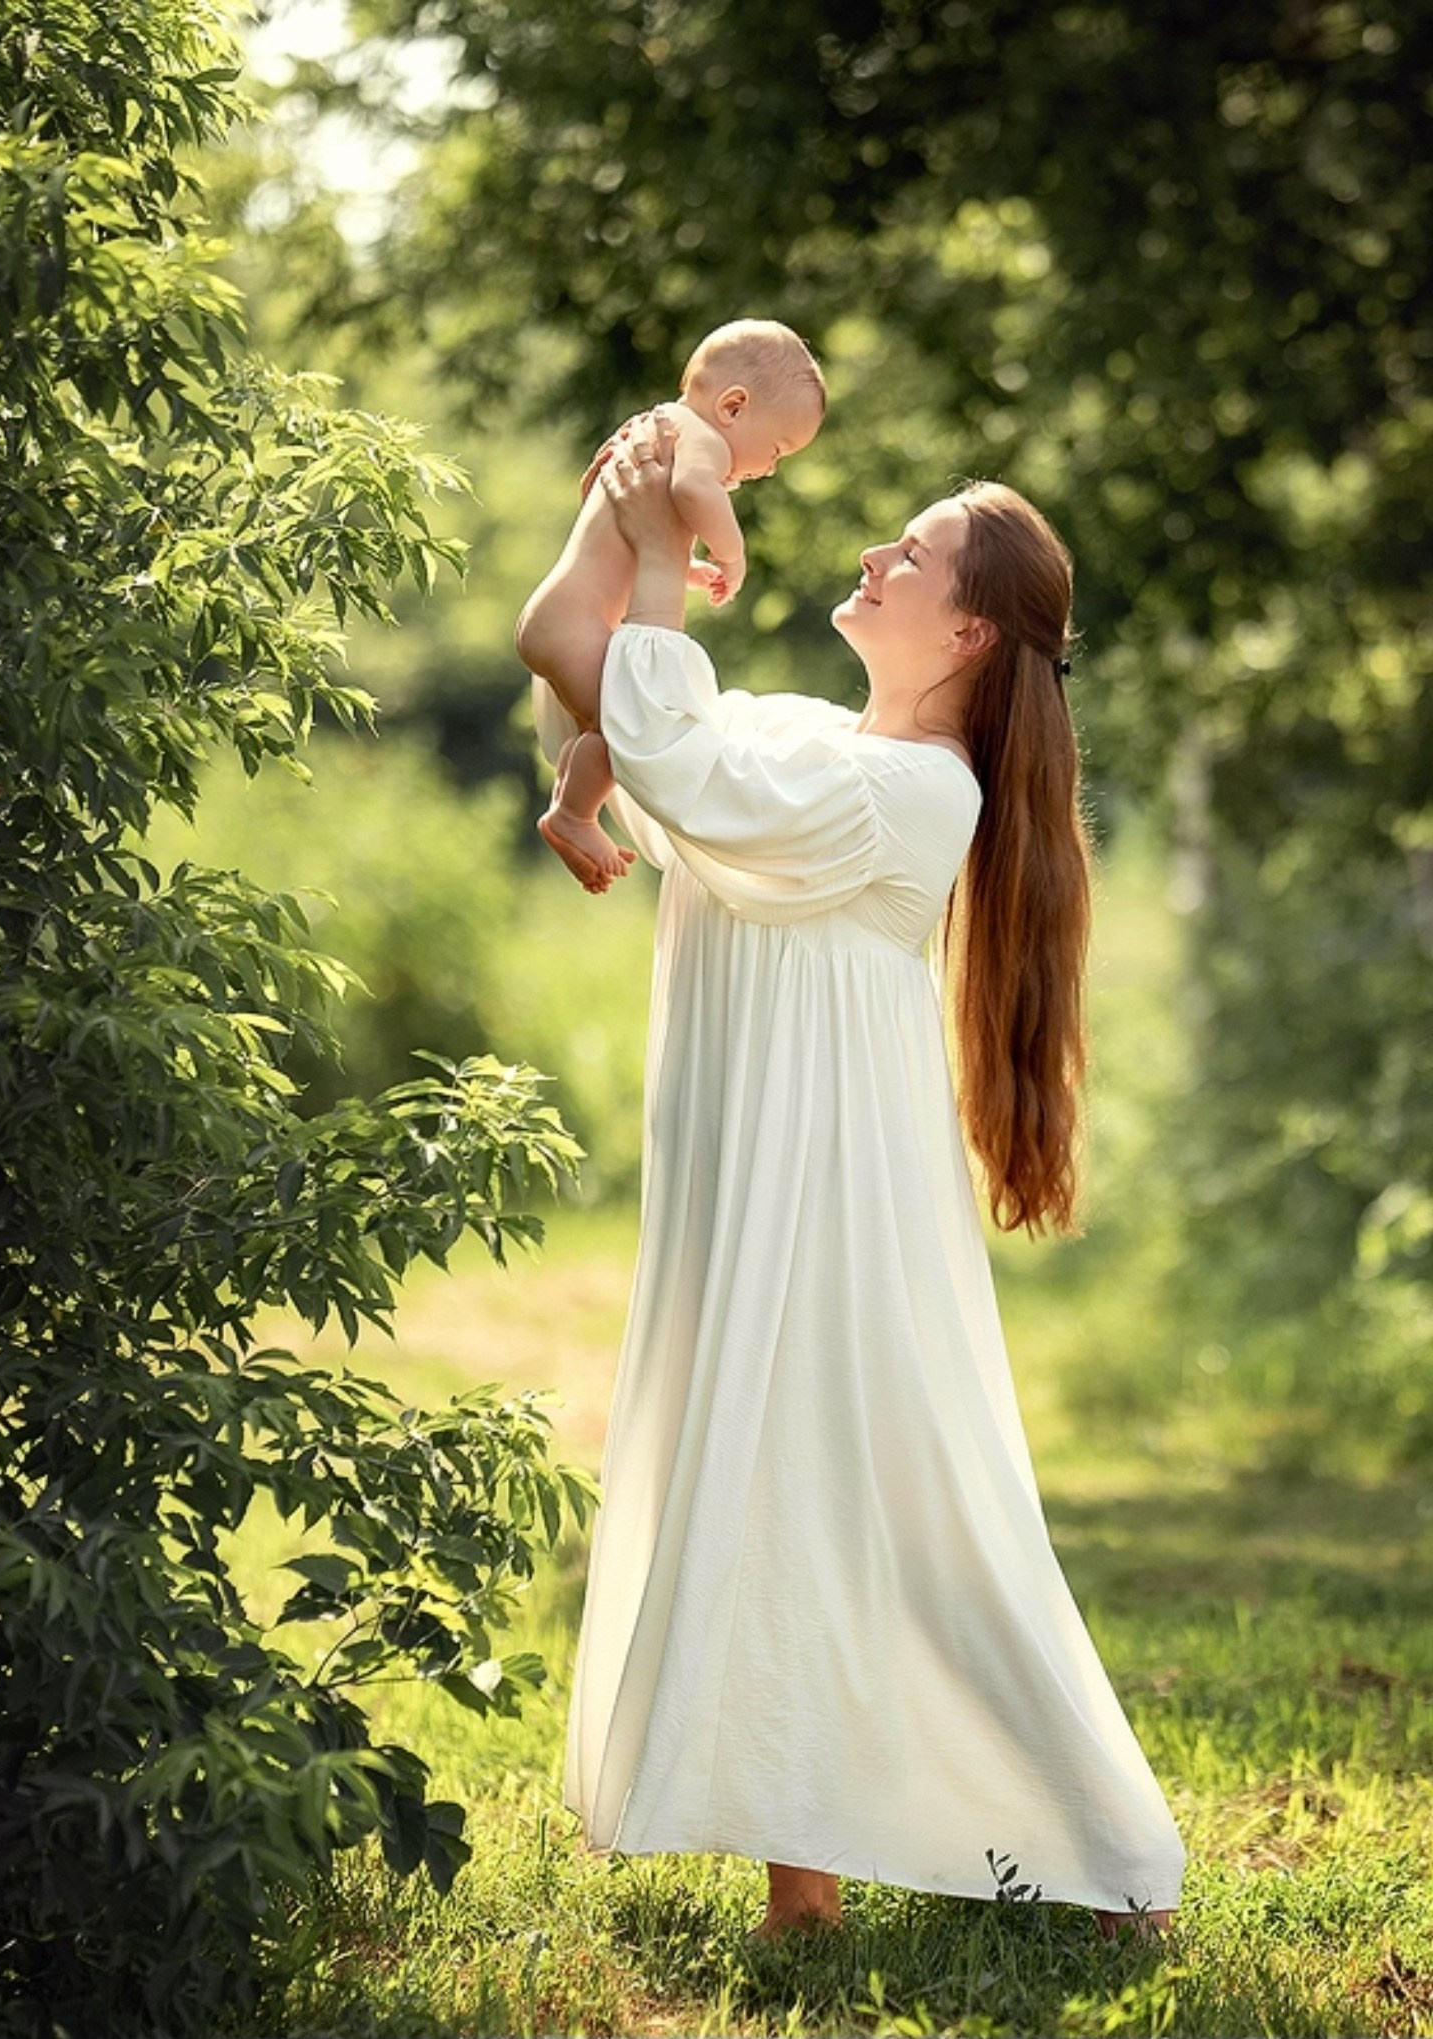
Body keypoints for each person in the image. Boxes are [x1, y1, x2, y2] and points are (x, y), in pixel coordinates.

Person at [537, 410, 1187, 1945]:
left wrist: (652, 573)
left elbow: (674, 756)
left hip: (828, 1202)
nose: (876, 552)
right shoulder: (810, 739)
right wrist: (632, 502)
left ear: (965, 625)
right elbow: (580, 662)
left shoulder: (922, 794)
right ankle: (803, 1883)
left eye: (914, 547)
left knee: (885, 1495)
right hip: (747, 1181)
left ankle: (1106, 1860)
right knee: (768, 1485)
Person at [517, 319, 826, 894]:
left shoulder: (656, 429)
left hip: (562, 614)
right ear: (733, 407)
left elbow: (624, 534)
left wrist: (685, 570)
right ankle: (573, 815)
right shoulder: (700, 441)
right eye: (778, 449)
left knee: (601, 726)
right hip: (574, 626)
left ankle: (568, 801)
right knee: (625, 727)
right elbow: (693, 493)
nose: (770, 469)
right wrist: (732, 554)